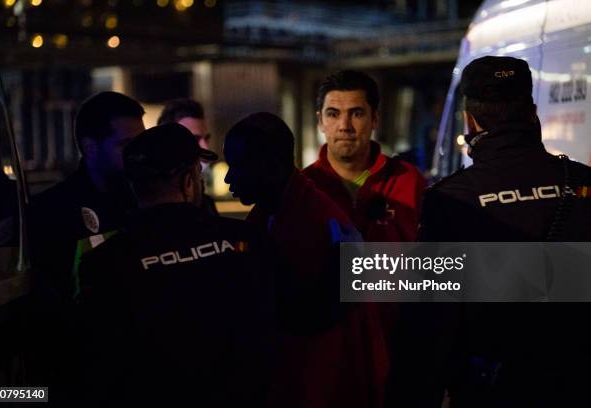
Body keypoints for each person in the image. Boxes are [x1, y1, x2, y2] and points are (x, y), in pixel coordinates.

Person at [418, 56, 591, 407]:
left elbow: (433, 322)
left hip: (491, 389)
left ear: (470, 119)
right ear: (532, 111)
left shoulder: (450, 200)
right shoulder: (584, 182)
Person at [78, 123, 275, 406]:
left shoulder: (104, 264)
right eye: (198, 173)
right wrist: (352, 250)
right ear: (187, 181)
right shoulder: (244, 239)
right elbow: (306, 310)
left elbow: (98, 363)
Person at [224, 112, 392, 408]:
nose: (228, 178)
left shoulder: (322, 222)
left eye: (238, 165)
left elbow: (323, 317)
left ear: (270, 164)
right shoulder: (271, 213)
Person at [25, 91, 145, 404]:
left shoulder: (144, 201)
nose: (138, 156)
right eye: (126, 145)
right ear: (90, 147)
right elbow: (48, 306)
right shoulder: (52, 211)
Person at [303, 70, 426, 242]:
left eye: (356, 114)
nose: (344, 126)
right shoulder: (303, 188)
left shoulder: (409, 182)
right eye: (333, 114)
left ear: (375, 119)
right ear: (320, 121)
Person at [157, 97, 218, 216]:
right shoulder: (153, 204)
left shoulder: (207, 204)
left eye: (206, 138)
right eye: (194, 139)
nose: (205, 147)